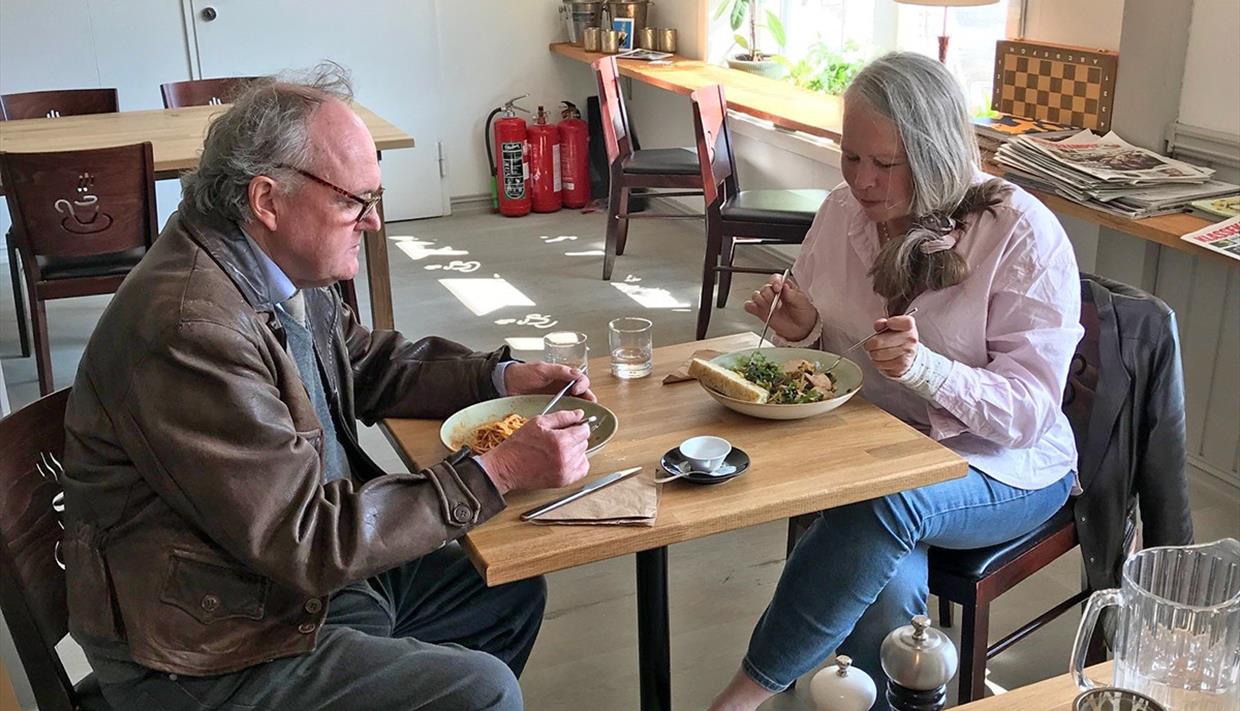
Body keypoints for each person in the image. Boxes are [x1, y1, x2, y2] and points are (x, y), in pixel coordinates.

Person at [60, 66, 594, 711]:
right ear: (267, 200)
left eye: (375, 196)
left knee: (506, 594)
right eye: (353, 202)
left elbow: (361, 361)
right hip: (209, 643)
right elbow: (304, 539)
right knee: (480, 691)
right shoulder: (191, 330)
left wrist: (499, 376)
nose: (374, 222)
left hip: (275, 580)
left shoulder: (267, 261)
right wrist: (498, 470)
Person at [709, 52, 1082, 710]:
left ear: (936, 154)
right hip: (881, 447)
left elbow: (1029, 413)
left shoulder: (1020, 232)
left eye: (886, 163)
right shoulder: (840, 212)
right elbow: (831, 349)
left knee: (882, 501)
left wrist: (928, 369)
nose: (862, 180)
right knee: (885, 577)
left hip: (1006, 467)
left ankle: (741, 697)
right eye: (850, 156)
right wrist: (803, 326)